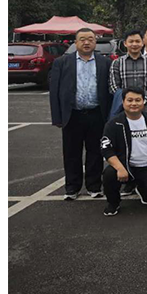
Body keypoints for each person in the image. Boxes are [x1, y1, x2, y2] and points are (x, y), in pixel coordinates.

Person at [49, 27, 112, 200]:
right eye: (82, 39)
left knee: (95, 152)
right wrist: (57, 117)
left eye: (90, 39)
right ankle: (72, 188)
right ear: (75, 42)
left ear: (95, 42)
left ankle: (94, 186)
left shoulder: (104, 62)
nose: (86, 42)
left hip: (96, 114)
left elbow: (109, 90)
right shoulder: (62, 62)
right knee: (71, 153)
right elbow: (54, 91)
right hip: (72, 114)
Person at [100, 87, 147, 216]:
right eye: (130, 100)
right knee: (109, 174)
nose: (134, 103)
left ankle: (143, 190)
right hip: (125, 166)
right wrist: (120, 168)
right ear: (123, 102)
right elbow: (106, 148)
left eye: (138, 100)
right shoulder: (114, 123)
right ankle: (113, 203)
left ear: (143, 101)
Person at [108, 29, 147, 116]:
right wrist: (127, 101)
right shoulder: (117, 62)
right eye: (131, 41)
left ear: (142, 43)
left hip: (146, 106)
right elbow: (113, 86)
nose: (134, 44)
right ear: (125, 43)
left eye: (137, 41)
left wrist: (143, 100)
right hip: (123, 107)